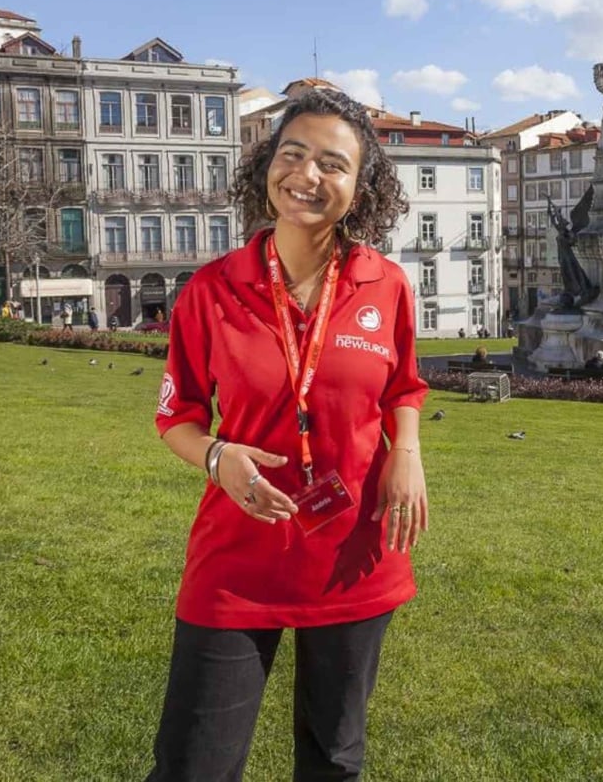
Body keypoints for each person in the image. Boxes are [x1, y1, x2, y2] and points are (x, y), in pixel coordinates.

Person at [146, 87, 428, 781]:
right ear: (266, 166)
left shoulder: (385, 284)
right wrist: (216, 458)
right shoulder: (212, 290)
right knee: (192, 765)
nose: (308, 175)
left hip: (352, 552)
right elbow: (177, 415)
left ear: (360, 190)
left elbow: (404, 385)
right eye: (293, 153)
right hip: (237, 559)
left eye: (333, 164)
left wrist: (409, 454)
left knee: (333, 760)